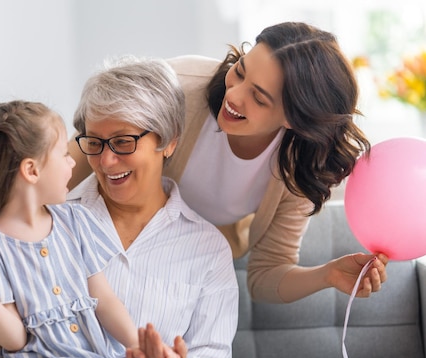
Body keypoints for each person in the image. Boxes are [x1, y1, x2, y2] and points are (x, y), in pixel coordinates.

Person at [0, 58, 238, 358]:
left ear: (169, 142)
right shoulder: (52, 219)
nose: (105, 161)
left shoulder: (205, 247)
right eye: (93, 142)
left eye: (123, 142)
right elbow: (2, 344)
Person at [68, 21, 388, 304]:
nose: (233, 95)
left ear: (296, 119)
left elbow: (266, 277)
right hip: (111, 245)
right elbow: (82, 152)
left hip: (182, 272)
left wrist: (328, 275)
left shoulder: (302, 167)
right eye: (241, 71)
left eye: (259, 97)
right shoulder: (178, 85)